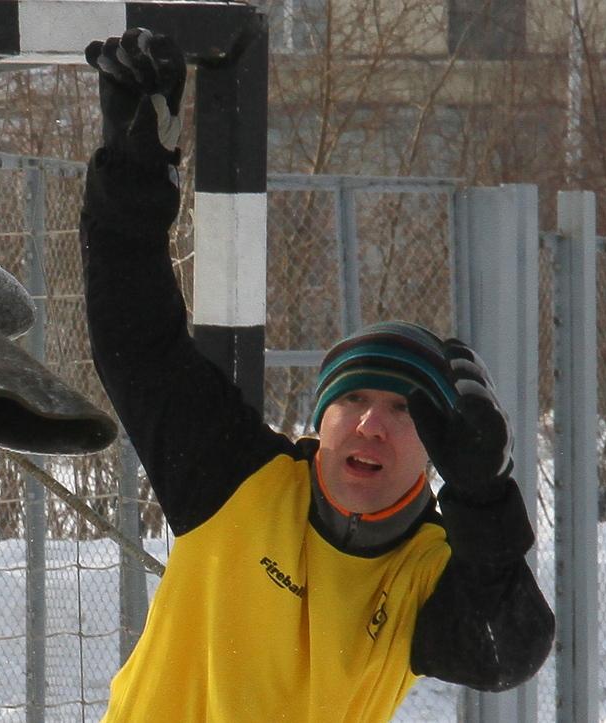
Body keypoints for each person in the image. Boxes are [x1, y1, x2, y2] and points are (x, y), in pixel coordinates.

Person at [79, 29, 554, 722]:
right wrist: (132, 164)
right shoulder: (234, 475)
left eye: (403, 411)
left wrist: (484, 496)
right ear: (320, 416)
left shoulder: (426, 567)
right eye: (355, 398)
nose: (372, 422)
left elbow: (507, 650)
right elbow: (134, 332)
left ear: (434, 451)